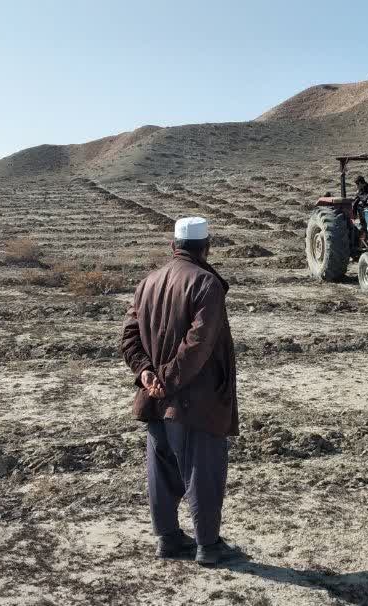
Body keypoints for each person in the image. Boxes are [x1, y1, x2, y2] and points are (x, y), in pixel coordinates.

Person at [120, 216, 239, 567]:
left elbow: (128, 337)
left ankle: (168, 538)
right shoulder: (206, 283)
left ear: (173, 246)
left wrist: (146, 374)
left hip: (156, 398)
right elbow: (197, 344)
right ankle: (208, 546)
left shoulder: (148, 283)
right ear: (206, 248)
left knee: (161, 469)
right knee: (203, 470)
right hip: (194, 400)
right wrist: (166, 380)